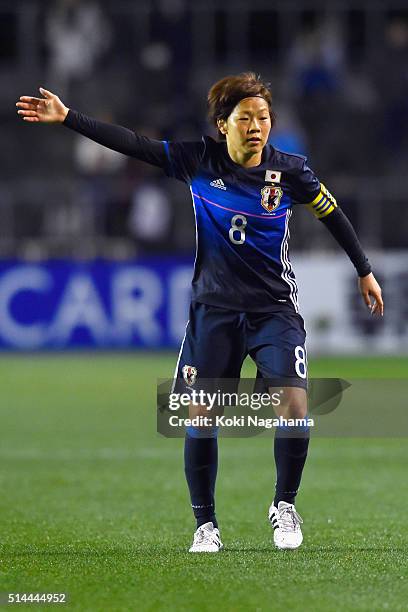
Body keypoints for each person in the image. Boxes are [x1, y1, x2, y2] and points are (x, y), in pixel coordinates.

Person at [16, 73, 383, 553]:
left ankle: (285, 506)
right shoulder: (197, 160)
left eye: (264, 118)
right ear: (222, 124)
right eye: (246, 118)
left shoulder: (290, 172)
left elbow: (332, 214)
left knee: (294, 404)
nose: (257, 127)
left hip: (273, 310)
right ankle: (205, 525)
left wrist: (364, 270)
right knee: (201, 413)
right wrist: (69, 119)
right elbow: (135, 145)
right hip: (214, 310)